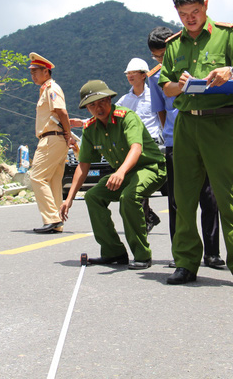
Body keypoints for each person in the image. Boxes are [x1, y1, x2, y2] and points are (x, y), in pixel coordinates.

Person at [158, 0, 233, 291]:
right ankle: (186, 263)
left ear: (206, 6)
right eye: (184, 13)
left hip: (220, 123)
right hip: (187, 125)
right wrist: (182, 84)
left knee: (229, 195)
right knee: (184, 198)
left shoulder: (227, 36)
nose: (190, 18)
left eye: (195, 11)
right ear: (177, 12)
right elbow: (167, 88)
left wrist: (229, 71)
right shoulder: (174, 46)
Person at [60, 80, 166, 270]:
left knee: (129, 197)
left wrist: (121, 172)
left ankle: (142, 254)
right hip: (123, 172)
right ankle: (113, 252)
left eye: (102, 102)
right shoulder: (91, 128)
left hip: (150, 167)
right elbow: (83, 165)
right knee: (93, 196)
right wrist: (69, 199)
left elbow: (136, 148)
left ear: (110, 99)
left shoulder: (127, 118)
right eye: (92, 105)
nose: (98, 108)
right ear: (87, 108)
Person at [148, 26, 225, 270]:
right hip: (175, 141)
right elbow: (161, 110)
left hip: (203, 134)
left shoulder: (195, 63)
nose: (161, 61)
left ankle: (212, 253)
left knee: (209, 196)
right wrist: (171, 133)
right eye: (157, 57)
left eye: (163, 55)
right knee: (177, 200)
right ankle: (180, 253)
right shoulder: (154, 78)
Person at [27, 52, 73, 234]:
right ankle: (57, 222)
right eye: (31, 72)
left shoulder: (52, 89)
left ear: (46, 72)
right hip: (55, 138)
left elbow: (62, 112)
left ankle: (52, 218)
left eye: (36, 71)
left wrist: (68, 135)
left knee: (36, 176)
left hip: (52, 138)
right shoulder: (46, 90)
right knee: (53, 180)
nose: (33, 75)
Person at [116, 57, 163, 233]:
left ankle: (146, 220)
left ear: (144, 75)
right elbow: (112, 116)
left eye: (133, 73)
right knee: (132, 183)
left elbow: (162, 118)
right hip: (132, 147)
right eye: (128, 73)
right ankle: (149, 216)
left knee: (140, 182)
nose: (130, 76)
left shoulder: (154, 96)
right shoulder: (124, 100)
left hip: (151, 144)